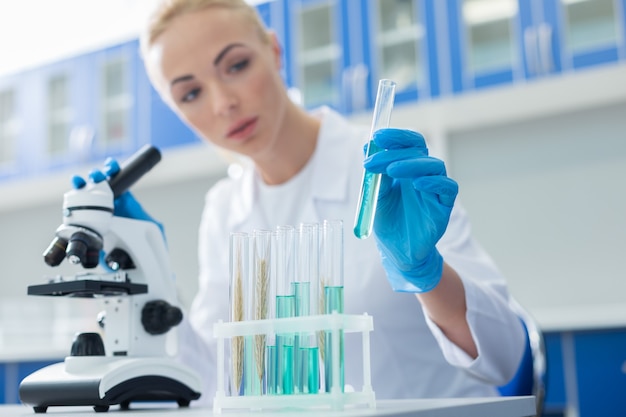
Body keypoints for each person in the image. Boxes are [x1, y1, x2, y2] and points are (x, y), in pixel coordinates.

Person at [101, 0, 527, 406]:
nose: (223, 103)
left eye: (236, 66)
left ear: (274, 51)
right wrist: (149, 269)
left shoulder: (386, 166)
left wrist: (426, 273)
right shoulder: (223, 209)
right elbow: (217, 379)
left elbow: (504, 357)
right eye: (190, 93)